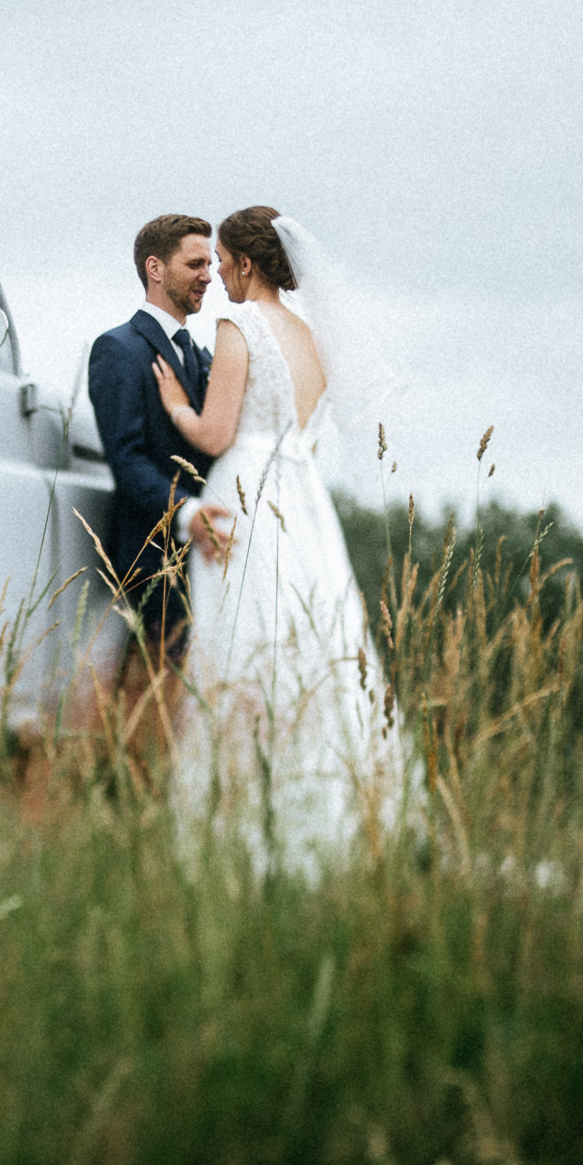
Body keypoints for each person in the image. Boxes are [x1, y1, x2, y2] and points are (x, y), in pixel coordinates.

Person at [151, 206, 407, 868]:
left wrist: (176, 399)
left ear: (245, 263)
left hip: (247, 496)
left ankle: (232, 831)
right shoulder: (312, 337)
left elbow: (214, 433)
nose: (219, 277)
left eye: (223, 263)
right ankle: (327, 821)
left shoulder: (242, 325)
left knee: (240, 646)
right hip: (304, 502)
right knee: (311, 650)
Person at [83, 215, 234, 763]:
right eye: (195, 264)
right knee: (143, 701)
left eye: (210, 265)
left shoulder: (201, 355)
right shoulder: (118, 350)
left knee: (185, 706)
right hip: (153, 559)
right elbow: (127, 461)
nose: (207, 276)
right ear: (155, 268)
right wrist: (188, 511)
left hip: (205, 561)